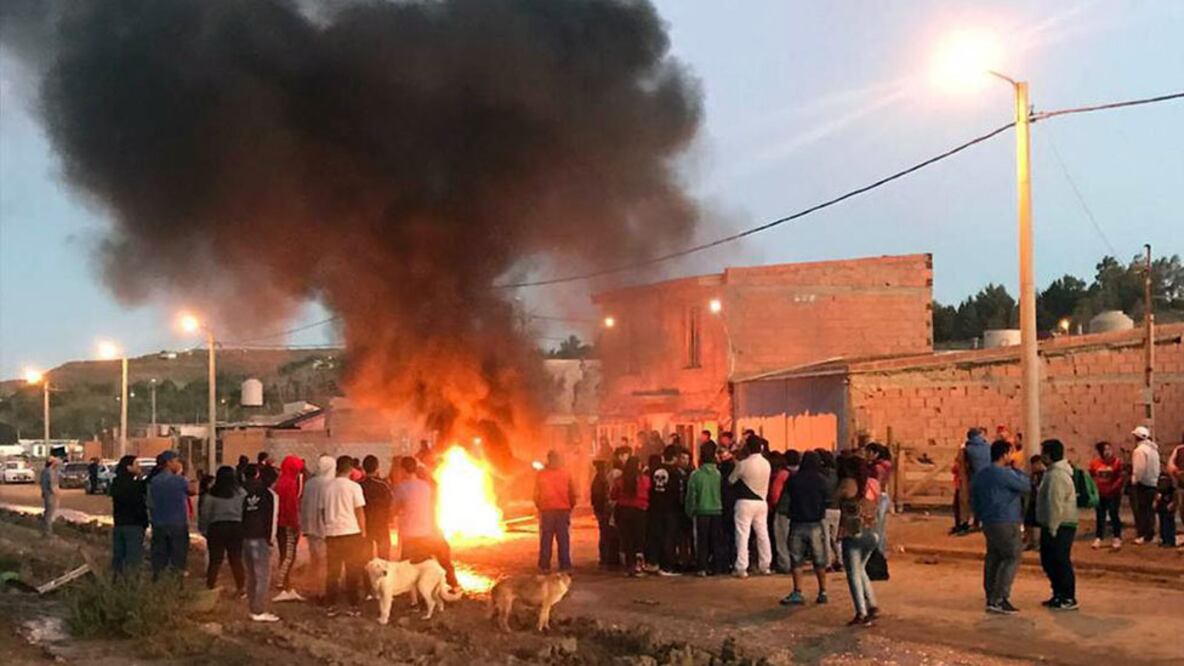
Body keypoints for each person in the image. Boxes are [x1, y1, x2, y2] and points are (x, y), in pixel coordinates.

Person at [972, 439, 1029, 614]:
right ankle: (1000, 598)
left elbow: (974, 497)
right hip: (1006, 520)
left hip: (988, 520)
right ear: (1005, 454)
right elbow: (1026, 485)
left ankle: (991, 595)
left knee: (994, 557)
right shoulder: (1005, 474)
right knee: (1012, 556)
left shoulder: (982, 474)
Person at [392, 456, 458, 588]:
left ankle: (415, 598)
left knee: (410, 567)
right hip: (429, 532)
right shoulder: (426, 486)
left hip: (411, 535)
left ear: (403, 470)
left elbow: (393, 510)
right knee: (444, 561)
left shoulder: (401, 488)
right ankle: (453, 586)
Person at [780, 450, 831, 605]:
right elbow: (828, 500)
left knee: (796, 559)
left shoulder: (794, 480)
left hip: (797, 522)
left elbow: (786, 499)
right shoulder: (822, 480)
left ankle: (797, 591)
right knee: (819, 559)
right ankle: (822, 591)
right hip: (816, 522)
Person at [835, 454, 880, 627]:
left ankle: (861, 612)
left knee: (853, 574)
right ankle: (873, 605)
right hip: (872, 532)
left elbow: (834, 498)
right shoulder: (872, 483)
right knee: (861, 569)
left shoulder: (848, 484)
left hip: (853, 532)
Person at [1036, 439, 1078, 611]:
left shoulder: (1056, 475)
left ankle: (1067, 597)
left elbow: (1055, 503)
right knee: (1050, 561)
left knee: (1059, 561)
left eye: (1043, 452)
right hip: (1056, 524)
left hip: (1060, 525)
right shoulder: (1052, 473)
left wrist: (1052, 527)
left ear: (1049, 454)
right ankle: (1058, 594)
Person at [321, 456, 366, 612]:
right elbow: (359, 510)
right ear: (350, 469)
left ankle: (331, 605)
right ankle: (353, 605)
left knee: (333, 572)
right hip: (351, 533)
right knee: (352, 570)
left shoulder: (326, 487)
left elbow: (322, 511)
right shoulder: (354, 487)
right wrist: (363, 531)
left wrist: (327, 526)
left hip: (332, 534)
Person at [241, 464, 280, 622]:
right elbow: (272, 520)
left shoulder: (248, 493)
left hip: (245, 538)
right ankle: (259, 611)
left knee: (251, 575)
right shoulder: (270, 495)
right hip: (260, 539)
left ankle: (253, 608)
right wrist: (270, 540)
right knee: (263, 576)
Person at [199, 465, 247, 594]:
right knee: (236, 558)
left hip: (217, 528)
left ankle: (210, 586)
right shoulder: (241, 493)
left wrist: (204, 530)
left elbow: (205, 514)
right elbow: (246, 511)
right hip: (236, 527)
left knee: (215, 560)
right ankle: (241, 588)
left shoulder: (211, 495)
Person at [729, 436, 772, 577]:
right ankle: (765, 565)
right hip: (762, 502)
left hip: (744, 502)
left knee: (742, 534)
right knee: (762, 534)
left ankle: (741, 567)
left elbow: (731, 480)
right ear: (761, 448)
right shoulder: (767, 464)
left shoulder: (743, 464)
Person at [149, 450, 194, 579]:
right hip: (177, 524)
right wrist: (187, 474)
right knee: (178, 558)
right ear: (169, 463)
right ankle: (176, 585)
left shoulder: (155, 481)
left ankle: (158, 583)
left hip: (158, 523)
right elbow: (193, 490)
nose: (178, 464)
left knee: (159, 558)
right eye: (176, 461)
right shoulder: (179, 480)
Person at [685, 440, 724, 575]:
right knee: (716, 540)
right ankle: (717, 567)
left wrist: (689, 510)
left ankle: (702, 567)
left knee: (702, 540)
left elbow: (691, 495)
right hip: (717, 510)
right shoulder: (718, 474)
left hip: (701, 510)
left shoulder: (696, 475)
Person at [300, 454, 337, 595]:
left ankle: (314, 588)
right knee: (324, 562)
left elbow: (304, 504)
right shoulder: (329, 484)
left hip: (310, 528)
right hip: (324, 529)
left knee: (314, 559)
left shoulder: (310, 483)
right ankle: (322, 592)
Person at [535, 450, 577, 572]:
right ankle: (565, 566)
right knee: (563, 539)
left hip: (547, 510)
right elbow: (572, 493)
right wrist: (569, 507)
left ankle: (544, 566)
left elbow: (536, 495)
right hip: (563, 510)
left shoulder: (541, 474)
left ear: (548, 459)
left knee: (546, 539)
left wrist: (540, 506)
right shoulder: (566, 474)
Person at [645, 445, 684, 576]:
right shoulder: (675, 473)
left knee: (655, 535)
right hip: (670, 510)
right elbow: (678, 493)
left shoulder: (654, 470)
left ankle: (654, 563)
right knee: (669, 537)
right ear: (674, 458)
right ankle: (666, 566)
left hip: (654, 508)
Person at [611, 456, 650, 577]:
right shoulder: (644, 480)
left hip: (623, 512)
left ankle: (630, 567)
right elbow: (649, 493)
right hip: (640, 511)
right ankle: (639, 567)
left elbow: (613, 495)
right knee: (639, 539)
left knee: (627, 540)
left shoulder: (619, 480)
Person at [273, 455, 305, 602]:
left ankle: (286, 584)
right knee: (289, 556)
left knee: (284, 553)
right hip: (287, 524)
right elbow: (291, 507)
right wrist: (295, 525)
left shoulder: (280, 482)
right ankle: (283, 585)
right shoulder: (290, 483)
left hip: (280, 524)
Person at [110, 455, 147, 575]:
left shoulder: (116, 482)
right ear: (128, 467)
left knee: (119, 557)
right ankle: (130, 586)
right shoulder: (134, 485)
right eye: (136, 465)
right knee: (133, 559)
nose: (139, 467)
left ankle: (117, 584)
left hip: (119, 524)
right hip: (134, 525)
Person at [1088, 441, 1124, 550]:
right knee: (1100, 515)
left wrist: (1114, 488)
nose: (1108, 452)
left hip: (1113, 494)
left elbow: (1120, 477)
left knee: (1114, 514)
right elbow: (1091, 476)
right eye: (1105, 450)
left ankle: (1117, 537)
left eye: (1109, 449)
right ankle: (1099, 537)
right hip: (1100, 494)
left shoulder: (1117, 462)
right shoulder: (1095, 463)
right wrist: (1094, 490)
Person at [1129, 426, 1161, 545]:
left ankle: (1143, 534)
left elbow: (1139, 468)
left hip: (1143, 484)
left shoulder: (1139, 451)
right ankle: (1150, 533)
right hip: (1153, 483)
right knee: (1150, 510)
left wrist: (1134, 480)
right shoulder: (1153, 450)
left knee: (1142, 510)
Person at [359, 455, 393, 560]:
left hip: (365, 525)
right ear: (377, 467)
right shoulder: (383, 485)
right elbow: (390, 502)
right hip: (381, 524)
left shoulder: (359, 485)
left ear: (363, 468)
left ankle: (366, 576)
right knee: (384, 558)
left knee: (366, 558)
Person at [772, 450, 800, 574]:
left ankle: (784, 564)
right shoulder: (800, 472)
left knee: (782, 538)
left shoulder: (783, 474)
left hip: (783, 509)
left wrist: (774, 505)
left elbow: (775, 492)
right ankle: (796, 563)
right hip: (796, 510)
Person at [866, 443, 893, 555]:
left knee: (876, 528)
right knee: (880, 528)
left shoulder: (877, 468)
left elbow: (875, 484)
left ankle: (877, 552)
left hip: (878, 497)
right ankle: (880, 551)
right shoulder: (886, 465)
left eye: (869, 452)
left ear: (875, 453)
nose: (867, 455)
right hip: (884, 496)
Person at [817, 450, 842, 571]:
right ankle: (840, 560)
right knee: (835, 538)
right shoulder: (837, 474)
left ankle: (827, 563)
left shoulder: (820, 475)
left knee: (825, 538)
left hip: (825, 509)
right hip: (837, 508)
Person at [591, 458, 618, 568]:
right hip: (603, 511)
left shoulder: (597, 479)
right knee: (606, 535)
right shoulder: (601, 480)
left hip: (600, 510)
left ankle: (604, 558)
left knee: (604, 535)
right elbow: (602, 497)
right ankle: (605, 558)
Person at [1023, 455, 1047, 551]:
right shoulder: (1033, 475)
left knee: (1042, 524)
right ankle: (1029, 541)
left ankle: (1041, 543)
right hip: (1033, 501)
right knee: (1028, 522)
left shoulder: (1045, 475)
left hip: (1041, 503)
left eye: (1036, 464)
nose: (1034, 466)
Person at [1153, 473, 1177, 548]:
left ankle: (1170, 541)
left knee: (1169, 525)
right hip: (1161, 509)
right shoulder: (1159, 491)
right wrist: (1155, 502)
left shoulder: (1172, 491)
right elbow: (1156, 499)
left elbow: (1175, 500)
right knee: (1162, 524)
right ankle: (1163, 539)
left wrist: (1172, 504)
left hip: (1169, 510)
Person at [39, 456, 60, 537]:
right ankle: (48, 533)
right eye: (55, 461)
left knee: (48, 513)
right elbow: (51, 485)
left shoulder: (46, 471)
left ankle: (46, 531)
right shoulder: (49, 472)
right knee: (49, 514)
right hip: (50, 495)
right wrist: (56, 493)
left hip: (48, 494)